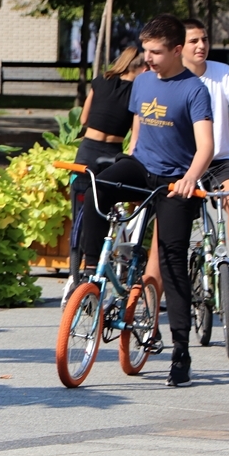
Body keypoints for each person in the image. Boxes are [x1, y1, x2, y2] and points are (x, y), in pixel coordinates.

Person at [81, 14, 214, 387]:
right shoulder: (141, 83)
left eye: (156, 52)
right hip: (141, 168)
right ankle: (92, 273)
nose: (148, 57)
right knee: (97, 187)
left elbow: (207, 145)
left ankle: (181, 350)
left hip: (175, 182)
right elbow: (138, 134)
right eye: (145, 50)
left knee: (171, 260)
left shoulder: (193, 90)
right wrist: (126, 160)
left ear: (176, 51)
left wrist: (189, 178)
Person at [144, 18, 229, 297]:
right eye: (194, 41)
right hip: (180, 163)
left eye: (205, 39)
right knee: (163, 239)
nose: (202, 45)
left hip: (219, 161)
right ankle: (149, 315)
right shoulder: (167, 81)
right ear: (178, 49)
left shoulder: (223, 74)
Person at [64, 47, 146, 305]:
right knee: (109, 205)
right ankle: (110, 262)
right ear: (142, 68)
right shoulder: (139, 92)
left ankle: (81, 271)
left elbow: (85, 118)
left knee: (82, 210)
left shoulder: (100, 81)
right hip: (113, 153)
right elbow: (136, 135)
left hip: (87, 150)